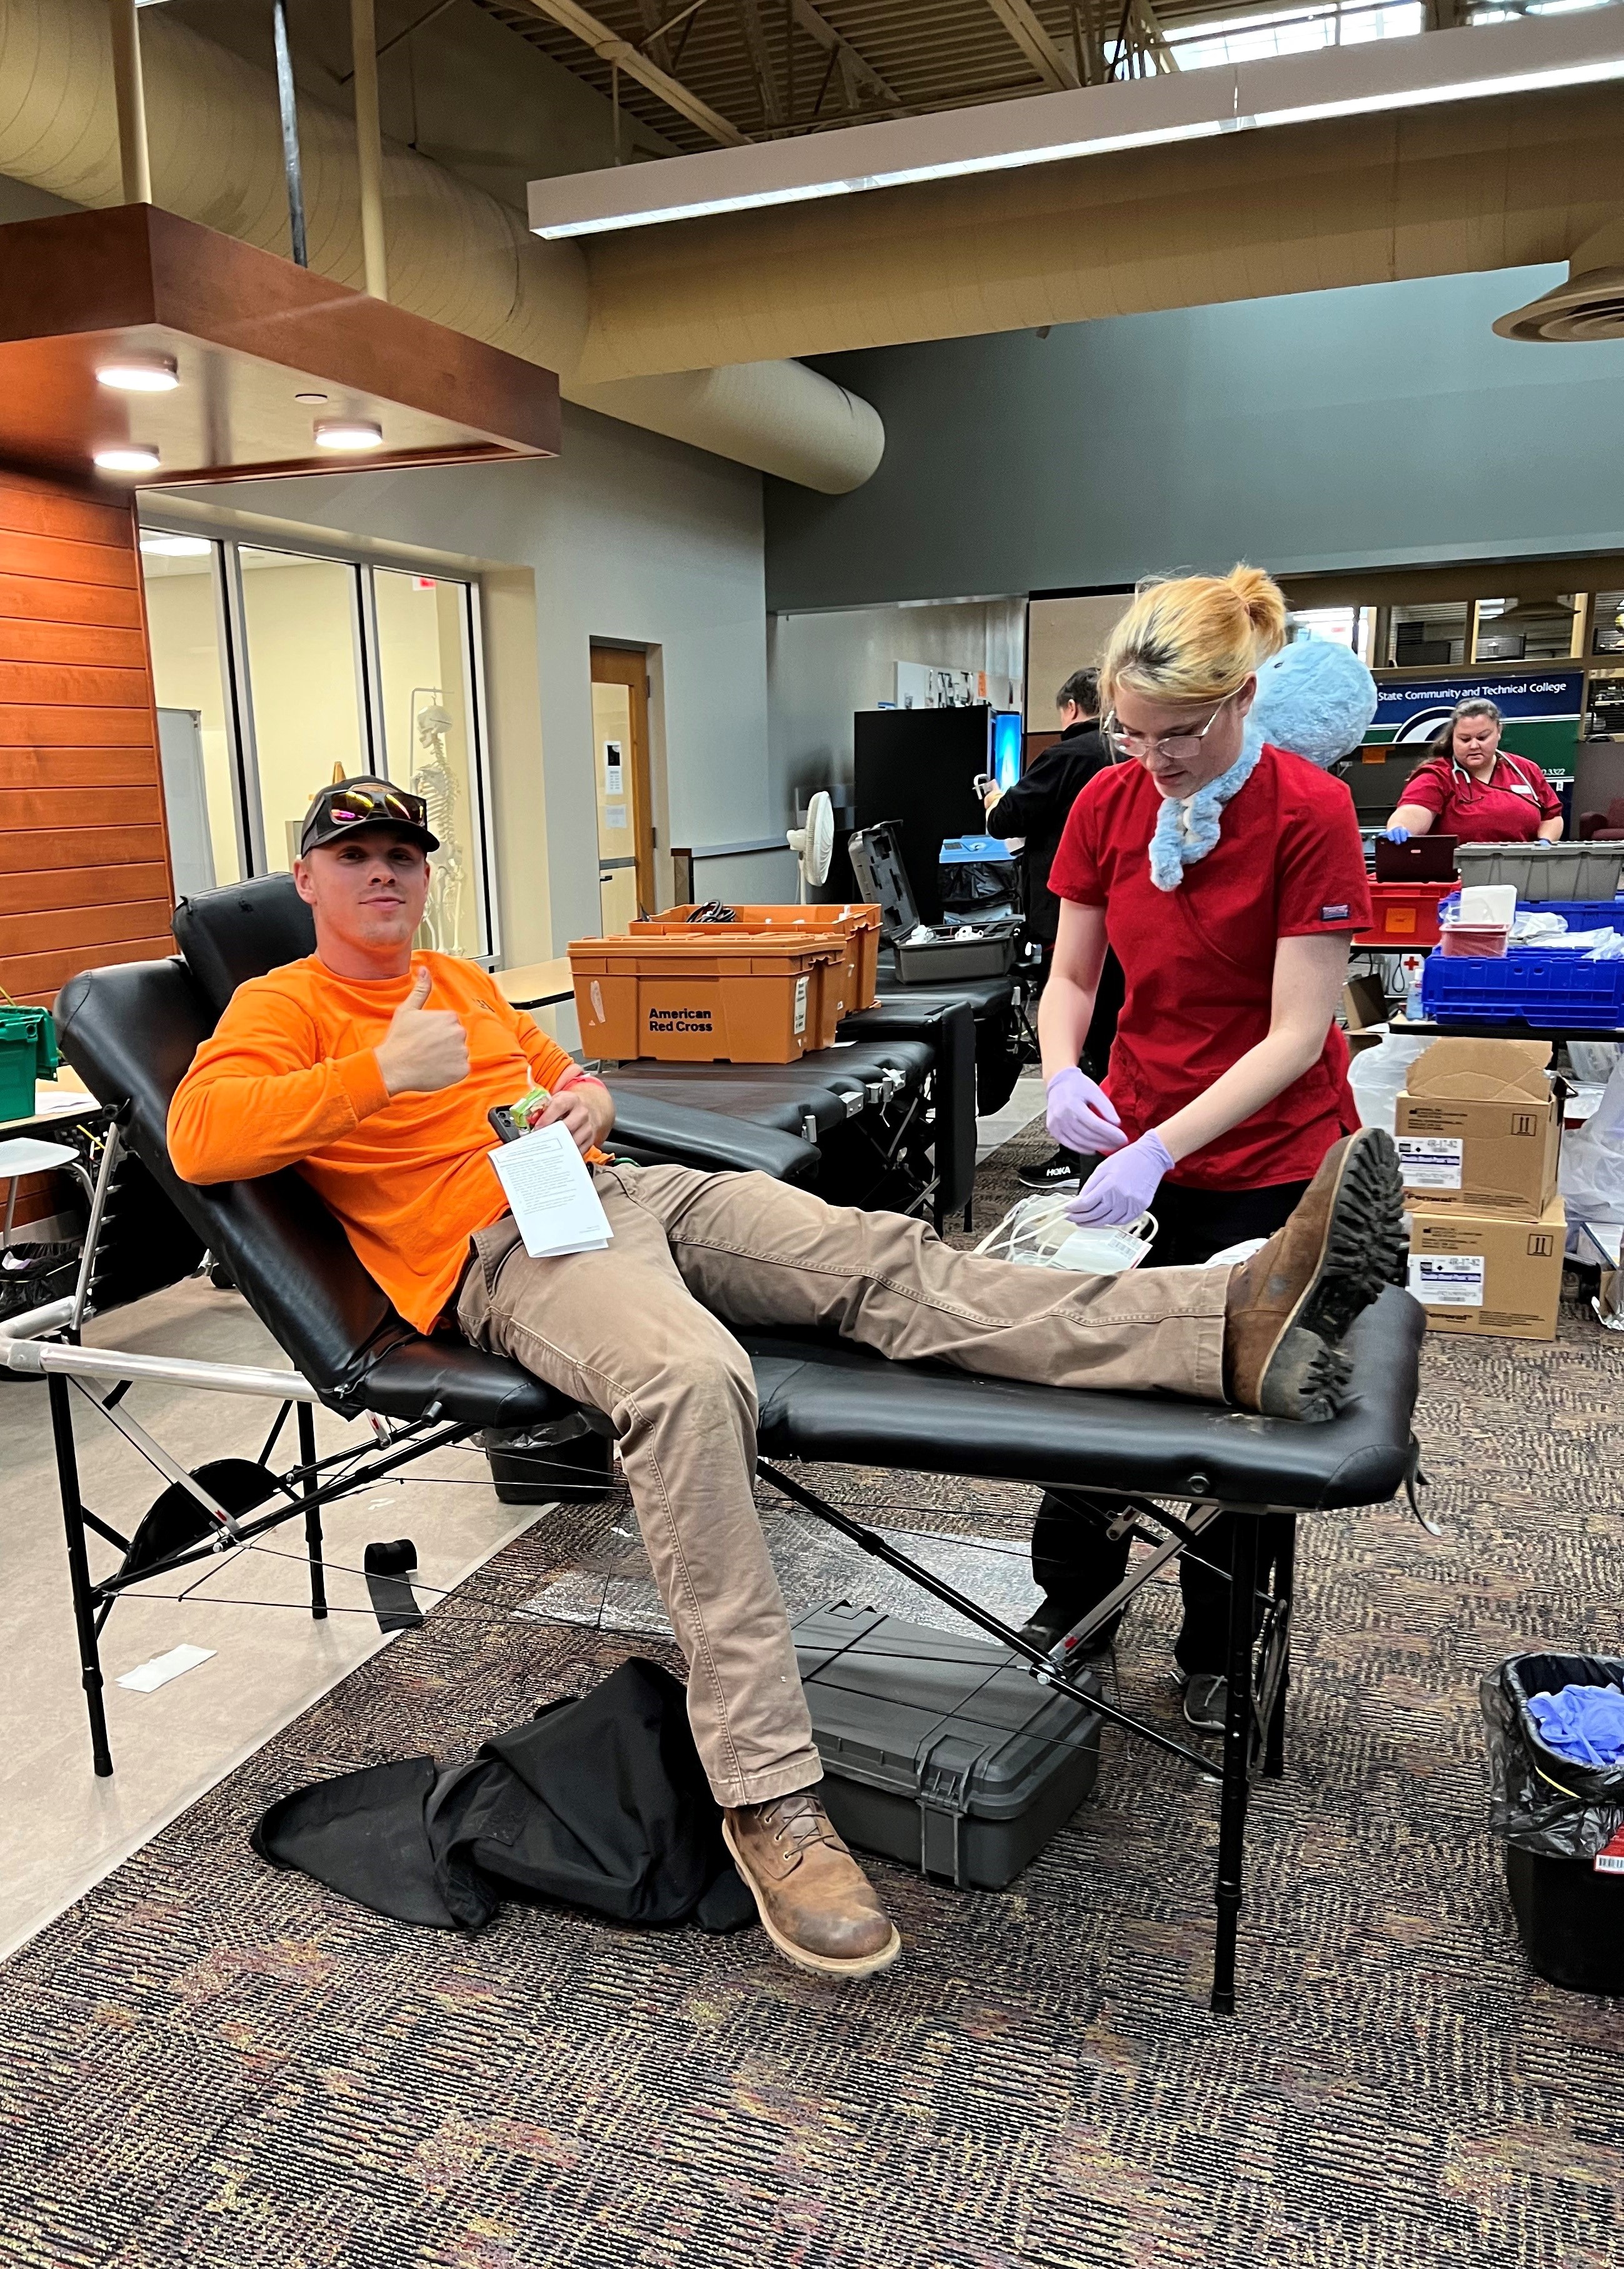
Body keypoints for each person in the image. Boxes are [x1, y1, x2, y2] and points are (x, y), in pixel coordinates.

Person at [168, 776, 1404, 1980]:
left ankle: (1219, 1329)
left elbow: (560, 1084)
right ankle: (769, 1802)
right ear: (308, 879)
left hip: (618, 1193)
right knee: (696, 1383)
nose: (385, 874)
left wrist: (584, 1105)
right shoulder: (286, 1003)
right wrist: (383, 1072)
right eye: (356, 856)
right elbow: (199, 1136)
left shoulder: (456, 982)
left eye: (405, 855)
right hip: (501, 1256)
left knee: (886, 1260)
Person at [1031, 568, 1379, 1733]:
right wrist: (1061, 1067)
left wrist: (1160, 1147)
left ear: (1241, 699)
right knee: (1088, 1388)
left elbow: (1295, 1034)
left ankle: (1221, 1649)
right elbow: (1072, 974)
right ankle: (1071, 1610)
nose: (1153, 757)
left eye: (1178, 733)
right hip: (1139, 1138)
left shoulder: (1306, 812)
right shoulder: (1108, 801)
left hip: (1270, 1158)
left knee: (1238, 1420)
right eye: (1130, 732)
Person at [981, 669, 1123, 1190]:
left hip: (1069, 917)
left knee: (1085, 1037)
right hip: (1127, 920)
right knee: (1110, 1034)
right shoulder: (1127, 756)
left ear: (1068, 708)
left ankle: (1079, 1152)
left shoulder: (1067, 758)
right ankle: (1100, 1145)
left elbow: (1005, 822)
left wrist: (996, 802)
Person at [1383, 698, 1563, 846]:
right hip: (1459, 876)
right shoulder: (1437, 775)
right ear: (1453, 736)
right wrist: (1401, 827)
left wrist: (1545, 842)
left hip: (1521, 871)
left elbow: (1552, 816)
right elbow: (1414, 811)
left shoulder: (1525, 770)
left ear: (1498, 732)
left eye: (1483, 737)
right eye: (1465, 739)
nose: (1474, 745)